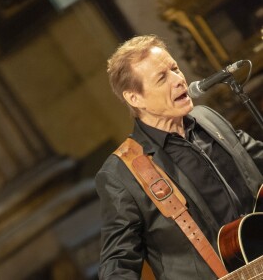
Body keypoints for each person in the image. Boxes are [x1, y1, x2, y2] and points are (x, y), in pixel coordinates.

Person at [95, 35, 263, 279]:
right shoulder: (121, 174)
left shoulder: (207, 118)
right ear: (135, 98)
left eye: (174, 68)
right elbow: (117, 264)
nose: (178, 80)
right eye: (162, 78)